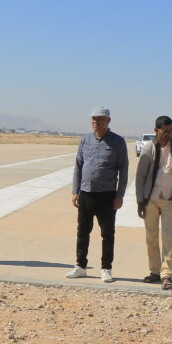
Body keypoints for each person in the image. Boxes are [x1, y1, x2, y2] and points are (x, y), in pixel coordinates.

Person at [66, 107, 128, 282]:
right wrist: (75, 191)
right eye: (93, 119)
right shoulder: (85, 140)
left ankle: (106, 268)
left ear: (108, 121)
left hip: (107, 195)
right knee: (82, 231)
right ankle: (80, 266)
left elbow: (123, 170)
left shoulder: (117, 142)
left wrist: (120, 195)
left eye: (100, 119)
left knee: (107, 234)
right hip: (86, 193)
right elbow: (78, 166)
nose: (96, 122)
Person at [135, 116, 172, 290]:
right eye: (165, 131)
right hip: (150, 200)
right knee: (151, 237)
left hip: (171, 200)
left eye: (171, 131)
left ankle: (166, 274)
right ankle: (154, 272)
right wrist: (140, 201)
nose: (168, 134)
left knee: (168, 238)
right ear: (156, 131)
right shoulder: (149, 148)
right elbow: (140, 177)